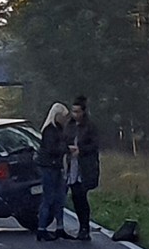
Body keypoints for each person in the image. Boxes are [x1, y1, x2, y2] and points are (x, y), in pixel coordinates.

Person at [34, 102, 73, 241]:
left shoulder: (58, 129)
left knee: (59, 199)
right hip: (49, 167)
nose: (65, 119)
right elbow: (52, 149)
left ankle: (59, 228)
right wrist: (67, 150)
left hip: (56, 166)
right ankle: (41, 229)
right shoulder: (49, 130)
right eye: (63, 116)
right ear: (56, 116)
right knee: (48, 198)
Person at [64, 95, 101, 241]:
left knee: (82, 196)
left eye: (78, 111)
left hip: (85, 166)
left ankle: (84, 227)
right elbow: (63, 140)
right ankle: (81, 226)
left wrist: (82, 150)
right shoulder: (70, 126)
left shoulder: (90, 127)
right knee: (75, 197)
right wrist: (67, 149)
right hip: (72, 165)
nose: (75, 114)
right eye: (73, 111)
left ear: (84, 112)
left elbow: (95, 145)